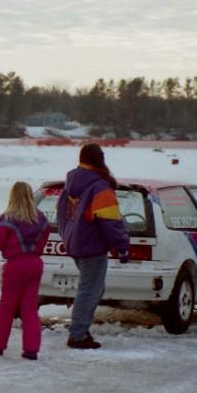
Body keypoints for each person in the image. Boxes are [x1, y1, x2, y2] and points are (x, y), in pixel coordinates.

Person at [56, 144, 130, 349]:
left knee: (93, 288)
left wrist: (68, 236)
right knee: (90, 290)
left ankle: (81, 329)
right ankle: (78, 334)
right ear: (100, 159)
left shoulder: (71, 183)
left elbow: (61, 213)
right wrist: (121, 244)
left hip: (76, 243)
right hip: (92, 245)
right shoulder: (99, 187)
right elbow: (111, 221)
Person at [0, 182, 50, 360]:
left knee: (7, 306)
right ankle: (31, 349)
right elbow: (44, 238)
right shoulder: (41, 218)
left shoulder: (7, 218)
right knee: (30, 309)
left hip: (15, 265)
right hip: (35, 264)